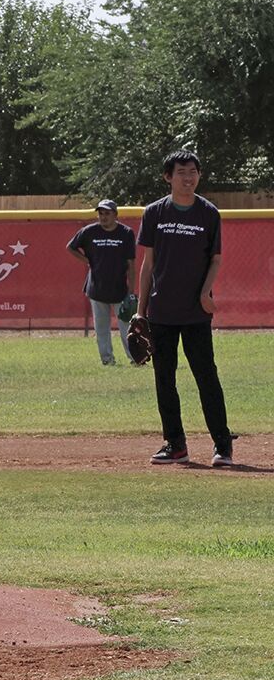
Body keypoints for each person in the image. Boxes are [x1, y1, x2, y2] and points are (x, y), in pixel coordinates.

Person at [135, 150, 236, 467]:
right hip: (162, 310)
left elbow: (216, 259)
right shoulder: (154, 213)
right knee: (164, 379)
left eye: (193, 171)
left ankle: (222, 445)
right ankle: (175, 444)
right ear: (168, 177)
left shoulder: (208, 213)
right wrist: (141, 311)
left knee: (207, 377)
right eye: (181, 172)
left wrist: (206, 292)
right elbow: (148, 263)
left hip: (195, 311)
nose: (188, 177)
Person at [66, 199, 137, 365]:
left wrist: (131, 292)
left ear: (115, 215)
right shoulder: (89, 231)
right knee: (101, 328)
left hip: (120, 289)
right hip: (97, 288)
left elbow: (131, 264)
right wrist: (86, 260)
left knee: (126, 326)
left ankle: (135, 358)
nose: (103, 217)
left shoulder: (125, 233)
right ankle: (107, 359)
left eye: (107, 213)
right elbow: (70, 247)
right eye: (101, 213)